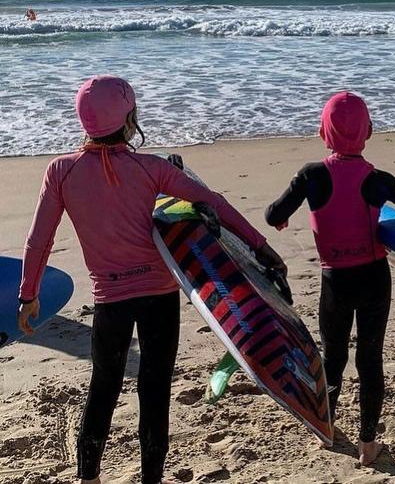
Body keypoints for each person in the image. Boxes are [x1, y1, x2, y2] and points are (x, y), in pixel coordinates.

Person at [18, 75, 286, 484]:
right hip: (159, 296)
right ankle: (151, 479)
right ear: (129, 117)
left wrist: (29, 296)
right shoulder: (152, 168)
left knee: (103, 387)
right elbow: (213, 202)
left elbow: (40, 240)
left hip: (110, 299)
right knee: (155, 390)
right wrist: (260, 246)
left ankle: (88, 477)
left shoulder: (61, 172)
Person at [265, 91, 395, 466]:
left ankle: (326, 429)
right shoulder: (378, 180)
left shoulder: (310, 176)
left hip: (334, 281)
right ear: (368, 131)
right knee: (370, 358)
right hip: (374, 278)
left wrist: (281, 216)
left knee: (333, 357)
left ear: (323, 131)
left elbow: (273, 213)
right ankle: (369, 444)